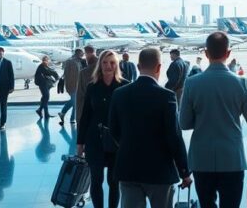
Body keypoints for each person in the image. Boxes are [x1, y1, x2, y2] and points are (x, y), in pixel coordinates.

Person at [180, 32, 247, 208]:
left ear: (206, 53)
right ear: (228, 53)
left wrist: (204, 118)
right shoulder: (242, 83)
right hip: (232, 159)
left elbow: (184, 123)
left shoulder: (192, 83)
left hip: (202, 159)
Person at [109, 47, 191, 208]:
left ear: (138, 67)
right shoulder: (166, 96)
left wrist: (128, 145)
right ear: (159, 67)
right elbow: (174, 136)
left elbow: (113, 129)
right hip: (160, 171)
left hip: (128, 168)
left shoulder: (119, 94)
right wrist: (184, 171)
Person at [77, 50, 130, 208]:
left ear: (117, 65)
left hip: (116, 141)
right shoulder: (92, 87)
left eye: (112, 62)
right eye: (105, 62)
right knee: (96, 180)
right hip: (95, 140)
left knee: (114, 182)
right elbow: (85, 116)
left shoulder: (125, 86)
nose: (108, 66)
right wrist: (80, 143)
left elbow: (128, 117)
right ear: (100, 64)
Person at [59, 48, 84, 125]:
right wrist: (68, 86)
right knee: (74, 101)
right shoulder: (70, 61)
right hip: (72, 85)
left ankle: (71, 117)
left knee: (75, 102)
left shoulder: (79, 62)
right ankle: (64, 113)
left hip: (78, 85)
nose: (83, 55)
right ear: (78, 53)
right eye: (82, 53)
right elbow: (66, 74)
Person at [75, 45, 99, 125]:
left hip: (89, 112)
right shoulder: (101, 66)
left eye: (85, 54)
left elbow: (80, 96)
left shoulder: (84, 72)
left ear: (87, 53)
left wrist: (79, 119)